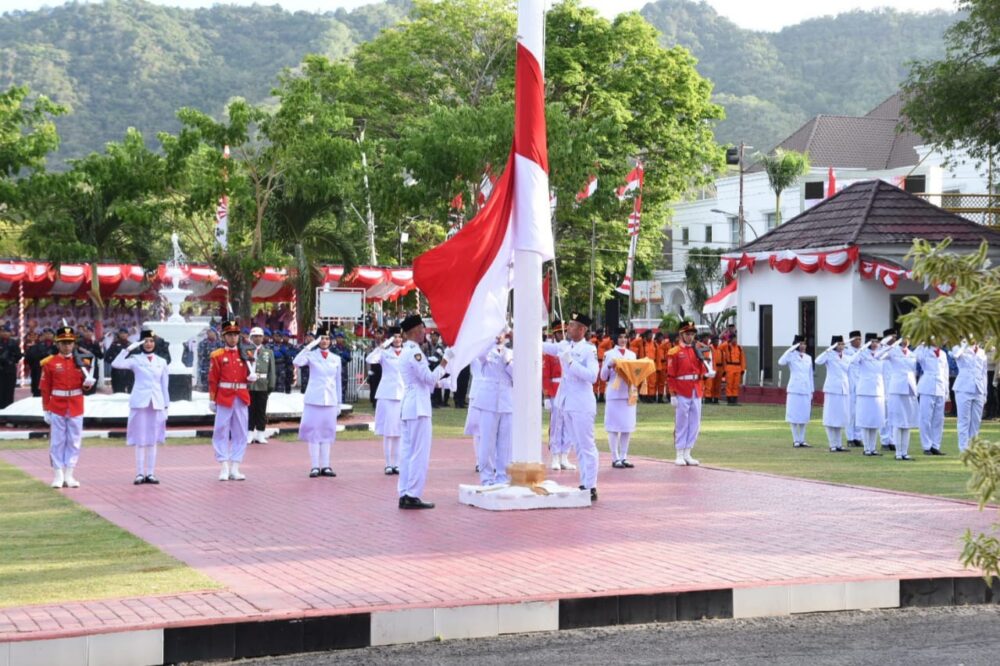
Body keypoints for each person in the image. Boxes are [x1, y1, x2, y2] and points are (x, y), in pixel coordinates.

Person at [543, 312, 599, 500]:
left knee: (586, 445)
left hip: (582, 403)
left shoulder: (588, 350)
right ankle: (584, 483)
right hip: (566, 402)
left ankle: (590, 485)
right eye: (570, 325)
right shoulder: (564, 345)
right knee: (576, 445)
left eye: (573, 325)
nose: (569, 328)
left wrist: (571, 362)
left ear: (582, 330)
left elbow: (592, 376)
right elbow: (544, 347)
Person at [397, 314, 448, 509]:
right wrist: (445, 363)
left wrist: (442, 380)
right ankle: (413, 494)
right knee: (419, 452)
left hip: (410, 404)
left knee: (408, 452)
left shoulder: (408, 351)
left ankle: (405, 492)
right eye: (421, 329)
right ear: (414, 331)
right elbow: (428, 378)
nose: (424, 332)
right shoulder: (415, 352)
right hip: (418, 407)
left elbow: (423, 380)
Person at [41, 325, 96, 488]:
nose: (67, 346)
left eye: (70, 342)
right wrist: (46, 409)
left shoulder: (82, 361)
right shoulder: (50, 363)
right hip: (57, 405)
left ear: (74, 344)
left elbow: (85, 387)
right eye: (63, 342)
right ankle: (58, 474)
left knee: (74, 441)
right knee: (57, 441)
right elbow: (45, 388)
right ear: (57, 344)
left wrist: (87, 384)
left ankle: (69, 474)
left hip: (76, 404)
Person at [111, 330, 169, 484]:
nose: (149, 344)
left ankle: (150, 473)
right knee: (140, 438)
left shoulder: (161, 361)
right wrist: (129, 348)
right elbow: (116, 363)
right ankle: (139, 473)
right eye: (145, 341)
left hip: (156, 403)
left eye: (151, 341)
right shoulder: (135, 359)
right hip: (140, 402)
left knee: (153, 438)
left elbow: (164, 385)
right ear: (141, 343)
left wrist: (166, 406)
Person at [208, 319, 256, 481]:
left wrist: (251, 378)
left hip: (241, 397)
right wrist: (212, 399)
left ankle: (235, 467)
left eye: (236, 335)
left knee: (241, 432)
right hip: (224, 396)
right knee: (220, 431)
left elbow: (248, 376)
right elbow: (213, 379)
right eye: (230, 335)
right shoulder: (217, 355)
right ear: (224, 336)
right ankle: (223, 466)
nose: (233, 338)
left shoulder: (246, 354)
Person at [293, 325, 342, 478]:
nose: (324, 341)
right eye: (322, 338)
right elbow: (297, 361)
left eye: (327, 338)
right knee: (314, 433)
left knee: (327, 432)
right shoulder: (311, 355)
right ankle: (315, 466)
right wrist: (310, 345)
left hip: (330, 400)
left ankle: (326, 466)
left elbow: (338, 381)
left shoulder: (336, 358)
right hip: (314, 399)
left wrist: (339, 402)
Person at [472, 332, 514, 486]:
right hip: (488, 401)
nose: (498, 336)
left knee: (506, 443)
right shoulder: (486, 351)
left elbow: (517, 375)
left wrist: (507, 361)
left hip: (507, 401)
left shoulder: (511, 353)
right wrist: (490, 341)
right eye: (495, 333)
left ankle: (503, 477)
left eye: (501, 333)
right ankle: (487, 478)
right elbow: (479, 354)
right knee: (487, 442)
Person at [666, 321, 711, 466]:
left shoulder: (697, 350)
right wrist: (672, 394)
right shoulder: (674, 352)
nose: (690, 337)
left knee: (695, 422)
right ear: (681, 334)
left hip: (695, 388)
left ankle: (688, 452)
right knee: (681, 422)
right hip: (681, 389)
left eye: (692, 334)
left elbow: (701, 369)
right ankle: (679, 452)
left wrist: (707, 373)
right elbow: (670, 375)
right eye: (687, 334)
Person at [366, 327, 404, 475]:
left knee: (399, 431)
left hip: (403, 394)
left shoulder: (407, 353)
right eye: (394, 337)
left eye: (399, 337)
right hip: (387, 394)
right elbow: (370, 359)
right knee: (389, 431)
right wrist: (380, 348)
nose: (397, 339)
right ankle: (388, 463)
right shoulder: (385, 353)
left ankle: (398, 463)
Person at [599, 330, 638, 468]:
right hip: (614, 393)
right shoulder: (609, 354)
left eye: (625, 337)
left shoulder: (632, 355)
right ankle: (615, 457)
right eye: (620, 337)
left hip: (628, 393)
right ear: (615, 339)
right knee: (613, 427)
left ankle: (624, 456)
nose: (623, 340)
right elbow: (603, 377)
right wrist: (609, 365)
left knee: (627, 427)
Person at [543, 320, 575, 471]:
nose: (562, 335)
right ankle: (555, 455)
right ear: (554, 334)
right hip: (555, 390)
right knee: (556, 424)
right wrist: (546, 395)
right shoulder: (550, 351)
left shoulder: (572, 348)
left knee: (568, 423)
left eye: (564, 332)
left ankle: (565, 455)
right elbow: (545, 375)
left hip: (569, 389)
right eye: (559, 332)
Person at [850, 333, 888, 457]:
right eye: (872, 342)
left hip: (878, 391)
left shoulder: (880, 354)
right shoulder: (862, 354)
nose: (875, 344)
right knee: (866, 422)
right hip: (865, 391)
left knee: (875, 422)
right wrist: (862, 348)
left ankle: (873, 448)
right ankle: (867, 448)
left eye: (877, 342)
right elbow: (852, 360)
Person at [883, 336, 918, 461]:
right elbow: (878, 356)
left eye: (908, 339)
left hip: (910, 389)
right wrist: (892, 344)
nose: (906, 341)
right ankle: (898, 452)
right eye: (903, 339)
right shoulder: (892, 351)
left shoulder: (912, 354)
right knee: (898, 422)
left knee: (907, 423)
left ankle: (905, 452)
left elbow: (913, 371)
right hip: (897, 389)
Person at [815, 335, 851, 452]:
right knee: (831, 418)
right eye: (839, 344)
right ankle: (832, 444)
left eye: (842, 344)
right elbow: (818, 361)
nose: (841, 346)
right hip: (832, 389)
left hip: (843, 390)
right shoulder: (829, 355)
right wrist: (828, 350)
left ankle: (839, 444)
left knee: (840, 418)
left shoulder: (846, 357)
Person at [952, 339, 988, 453]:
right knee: (964, 421)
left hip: (978, 389)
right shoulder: (959, 347)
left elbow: (984, 373)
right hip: (963, 388)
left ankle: (973, 448)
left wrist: (985, 392)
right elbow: (956, 355)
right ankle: (963, 449)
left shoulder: (982, 352)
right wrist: (965, 344)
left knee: (976, 421)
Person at [778, 335, 814, 448]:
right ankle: (795, 440)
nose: (803, 346)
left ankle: (802, 439)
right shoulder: (791, 356)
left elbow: (810, 375)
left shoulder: (808, 358)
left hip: (805, 389)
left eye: (804, 344)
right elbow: (781, 361)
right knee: (793, 416)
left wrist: (811, 390)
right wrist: (791, 349)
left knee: (804, 416)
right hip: (794, 389)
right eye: (801, 344)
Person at [914, 340, 949, 456]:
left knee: (939, 419)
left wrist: (946, 390)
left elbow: (945, 373)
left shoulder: (943, 354)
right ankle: (926, 445)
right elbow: (915, 357)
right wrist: (921, 344)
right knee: (925, 418)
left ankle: (935, 445)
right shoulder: (924, 351)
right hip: (927, 386)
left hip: (940, 387)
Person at [247, 327, 276, 444]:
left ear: (263, 338)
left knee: (261, 410)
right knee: (250, 410)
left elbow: (272, 370)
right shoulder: (246, 351)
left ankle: (260, 434)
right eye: (255, 336)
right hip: (250, 385)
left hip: (263, 385)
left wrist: (271, 384)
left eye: (259, 336)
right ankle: (249, 433)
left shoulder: (268, 352)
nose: (257, 338)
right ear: (251, 337)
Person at [878, 328, 897, 452]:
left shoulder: (896, 351)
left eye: (895, 337)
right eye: (892, 337)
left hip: (894, 387)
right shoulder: (880, 350)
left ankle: (892, 440)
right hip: (883, 386)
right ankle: (885, 440)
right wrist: (884, 343)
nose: (895, 339)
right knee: (884, 415)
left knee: (893, 415)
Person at [844, 330, 864, 447]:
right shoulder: (847, 351)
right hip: (851, 384)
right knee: (850, 412)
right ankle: (850, 437)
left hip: (861, 384)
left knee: (859, 412)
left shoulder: (863, 351)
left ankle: (858, 437)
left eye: (860, 339)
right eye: (856, 339)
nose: (859, 341)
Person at [26, 328, 57, 397]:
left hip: (53, 373)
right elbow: (29, 358)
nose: (48, 335)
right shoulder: (35, 346)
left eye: (50, 334)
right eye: (45, 334)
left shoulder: (57, 347)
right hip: (39, 372)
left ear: (53, 336)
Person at [106, 328, 136, 393]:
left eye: (125, 333)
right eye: (121, 333)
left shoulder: (131, 345)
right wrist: (115, 363)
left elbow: (135, 358)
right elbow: (107, 357)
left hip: (128, 372)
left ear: (128, 335)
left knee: (130, 392)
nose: (123, 335)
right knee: (118, 392)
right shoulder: (114, 345)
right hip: (117, 372)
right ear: (119, 334)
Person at [0, 324, 22, 408]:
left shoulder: (13, 343)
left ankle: (9, 408)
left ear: (10, 333)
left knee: (9, 390)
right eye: (3, 331)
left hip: (10, 370)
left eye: (7, 331)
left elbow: (19, 355)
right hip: (0, 370)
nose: (5, 333)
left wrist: (12, 360)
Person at [720, 332, 746, 404]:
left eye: (735, 338)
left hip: (738, 367)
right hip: (729, 367)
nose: (735, 340)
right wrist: (727, 341)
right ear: (730, 339)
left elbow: (742, 359)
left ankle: (734, 399)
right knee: (729, 384)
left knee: (736, 384)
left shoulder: (739, 348)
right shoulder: (727, 346)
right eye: (733, 339)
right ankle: (729, 399)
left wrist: (743, 369)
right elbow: (720, 347)